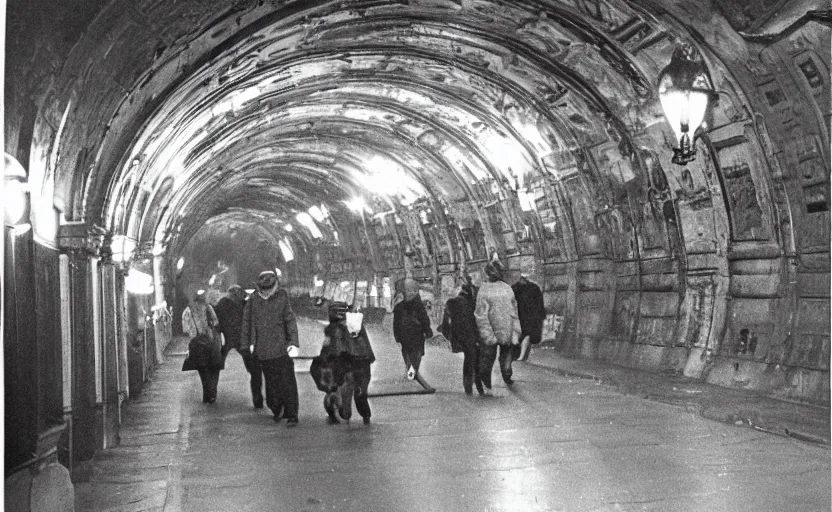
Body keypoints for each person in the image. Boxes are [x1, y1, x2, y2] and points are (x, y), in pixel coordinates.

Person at [240, 270, 300, 426]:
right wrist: (246, 345)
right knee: (272, 383)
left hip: (282, 348)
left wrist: (293, 342)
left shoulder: (282, 296)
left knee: (287, 382)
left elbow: (289, 319)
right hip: (263, 350)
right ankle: (276, 407)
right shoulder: (253, 299)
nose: (267, 292)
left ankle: (291, 413)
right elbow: (247, 322)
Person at [310, 302, 375, 424]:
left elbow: (332, 349)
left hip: (347, 365)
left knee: (347, 391)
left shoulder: (334, 329)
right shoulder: (356, 323)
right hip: (362, 363)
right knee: (360, 392)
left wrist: (324, 360)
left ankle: (346, 413)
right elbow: (365, 345)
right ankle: (365, 415)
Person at [214, 285, 265, 408]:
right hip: (240, 340)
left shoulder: (222, 304)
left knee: (215, 366)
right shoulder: (243, 304)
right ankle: (257, 398)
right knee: (254, 369)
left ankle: (211, 393)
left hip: (228, 338)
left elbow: (216, 321)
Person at [474, 259, 521, 394]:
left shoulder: (484, 290)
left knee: (488, 358)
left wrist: (487, 334)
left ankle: (487, 383)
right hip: (505, 329)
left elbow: (481, 314)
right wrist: (515, 330)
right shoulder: (507, 288)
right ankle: (505, 375)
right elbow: (514, 311)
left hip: (492, 330)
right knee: (505, 355)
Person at [439, 280, 484, 395]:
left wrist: (449, 335)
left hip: (458, 336)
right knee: (473, 358)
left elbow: (445, 323)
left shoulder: (451, 303)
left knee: (470, 358)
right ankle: (475, 385)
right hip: (471, 336)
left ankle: (470, 384)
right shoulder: (471, 304)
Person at [182, 290, 223, 404]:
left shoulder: (188, 310)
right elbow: (215, 322)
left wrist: (193, 331)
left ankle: (206, 395)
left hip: (197, 343)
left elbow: (185, 328)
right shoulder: (209, 308)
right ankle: (212, 392)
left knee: (202, 370)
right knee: (213, 368)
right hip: (211, 342)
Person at [392, 278, 433, 381]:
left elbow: (424, 319)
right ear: (404, 291)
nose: (412, 293)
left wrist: (427, 330)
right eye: (409, 290)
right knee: (410, 359)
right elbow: (396, 323)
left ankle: (412, 376)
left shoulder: (418, 306)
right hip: (406, 338)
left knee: (415, 359)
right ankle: (412, 377)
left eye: (414, 290)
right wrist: (397, 336)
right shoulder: (399, 307)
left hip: (416, 337)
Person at [512, 273, 546, 362]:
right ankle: (520, 355)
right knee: (521, 335)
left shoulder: (533, 288)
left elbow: (539, 304)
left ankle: (522, 356)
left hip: (527, 317)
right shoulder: (516, 288)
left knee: (526, 335)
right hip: (520, 316)